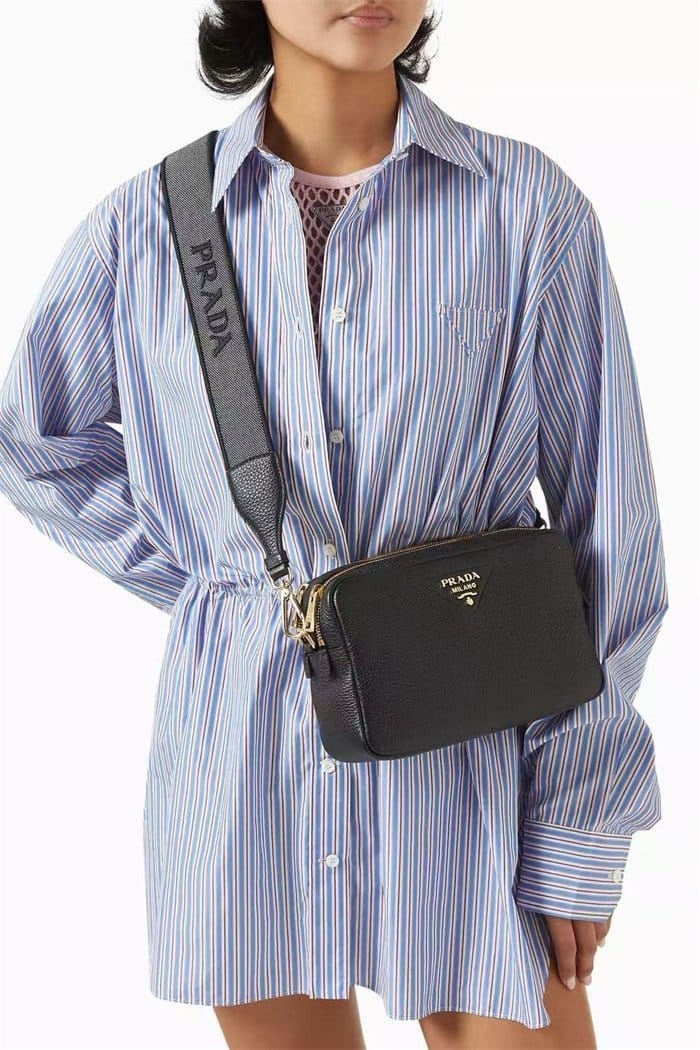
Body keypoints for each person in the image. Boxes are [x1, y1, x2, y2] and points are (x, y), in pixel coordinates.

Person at [0, 1, 669, 1048]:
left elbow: (610, 535)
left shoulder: (525, 207)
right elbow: (32, 439)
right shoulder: (150, 226)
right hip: (244, 758)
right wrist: (224, 585)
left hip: (470, 752)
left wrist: (580, 818)